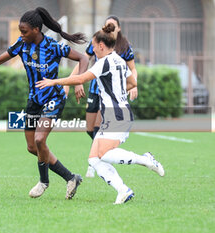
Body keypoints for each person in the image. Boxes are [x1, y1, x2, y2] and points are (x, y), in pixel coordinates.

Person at [36, 23, 164, 204]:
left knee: (104, 154)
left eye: (94, 47)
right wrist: (118, 90)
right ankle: (123, 190)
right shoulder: (119, 59)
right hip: (117, 113)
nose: (93, 50)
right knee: (95, 159)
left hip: (116, 115)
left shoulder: (103, 62)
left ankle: (146, 160)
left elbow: (81, 78)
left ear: (101, 46)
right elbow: (133, 83)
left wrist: (53, 82)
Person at [0, 7, 89, 199]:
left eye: (24, 31)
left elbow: (83, 58)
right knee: (32, 147)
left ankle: (43, 182)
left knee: (40, 140)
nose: (21, 35)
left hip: (54, 99)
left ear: (36, 30)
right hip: (34, 100)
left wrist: (79, 81)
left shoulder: (53, 46)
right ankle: (71, 178)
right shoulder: (21, 45)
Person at [84, 15, 139, 178]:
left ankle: (97, 160)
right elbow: (84, 61)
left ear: (119, 28)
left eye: (112, 25)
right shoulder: (98, 41)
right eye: (107, 25)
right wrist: (76, 83)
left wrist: (133, 85)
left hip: (111, 99)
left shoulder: (123, 47)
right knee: (89, 128)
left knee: (100, 127)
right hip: (95, 89)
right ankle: (98, 158)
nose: (109, 27)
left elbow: (132, 69)